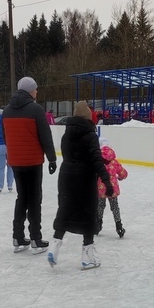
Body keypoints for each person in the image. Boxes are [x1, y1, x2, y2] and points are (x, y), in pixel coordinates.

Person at [48, 101, 114, 270]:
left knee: (65, 209)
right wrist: (106, 180)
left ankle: (55, 246)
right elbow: (95, 159)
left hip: (66, 175)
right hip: (84, 178)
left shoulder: (66, 133)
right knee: (88, 214)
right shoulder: (90, 134)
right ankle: (87, 256)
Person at [2, 76, 57, 254]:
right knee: (34, 199)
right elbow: (45, 136)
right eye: (35, 89)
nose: (37, 92)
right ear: (29, 91)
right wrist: (52, 158)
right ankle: (35, 238)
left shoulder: (7, 111)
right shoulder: (36, 109)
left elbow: (5, 135)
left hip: (16, 161)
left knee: (21, 198)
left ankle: (17, 237)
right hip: (33, 161)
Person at [96, 136, 128, 238]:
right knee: (115, 207)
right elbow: (123, 173)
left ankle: (98, 225)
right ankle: (119, 226)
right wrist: (120, 177)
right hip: (112, 189)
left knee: (100, 206)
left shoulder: (97, 161)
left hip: (100, 189)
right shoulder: (114, 162)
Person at [0, 108, 13, 194]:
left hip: (0, 147)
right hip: (9, 147)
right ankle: (10, 185)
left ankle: (0, 186)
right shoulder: (8, 124)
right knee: (10, 166)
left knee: (1, 168)